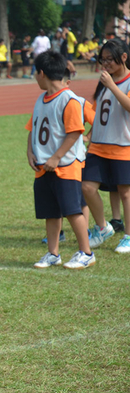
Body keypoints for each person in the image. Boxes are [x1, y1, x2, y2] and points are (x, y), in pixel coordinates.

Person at [26, 50, 94, 269]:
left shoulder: (69, 100)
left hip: (65, 166)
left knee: (72, 210)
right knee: (51, 212)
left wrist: (56, 158)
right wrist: (30, 151)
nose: (35, 77)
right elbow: (33, 128)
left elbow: (74, 133)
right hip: (43, 166)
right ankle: (53, 253)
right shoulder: (40, 99)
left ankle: (86, 252)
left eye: (35, 73)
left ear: (42, 73)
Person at [82, 38, 130, 254]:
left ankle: (128, 236)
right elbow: (98, 110)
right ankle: (103, 227)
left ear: (124, 57)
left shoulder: (124, 81)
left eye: (110, 59)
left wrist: (112, 85)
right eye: (102, 60)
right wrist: (88, 134)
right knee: (87, 187)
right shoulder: (103, 81)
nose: (105, 64)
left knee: (126, 193)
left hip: (122, 146)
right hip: (98, 147)